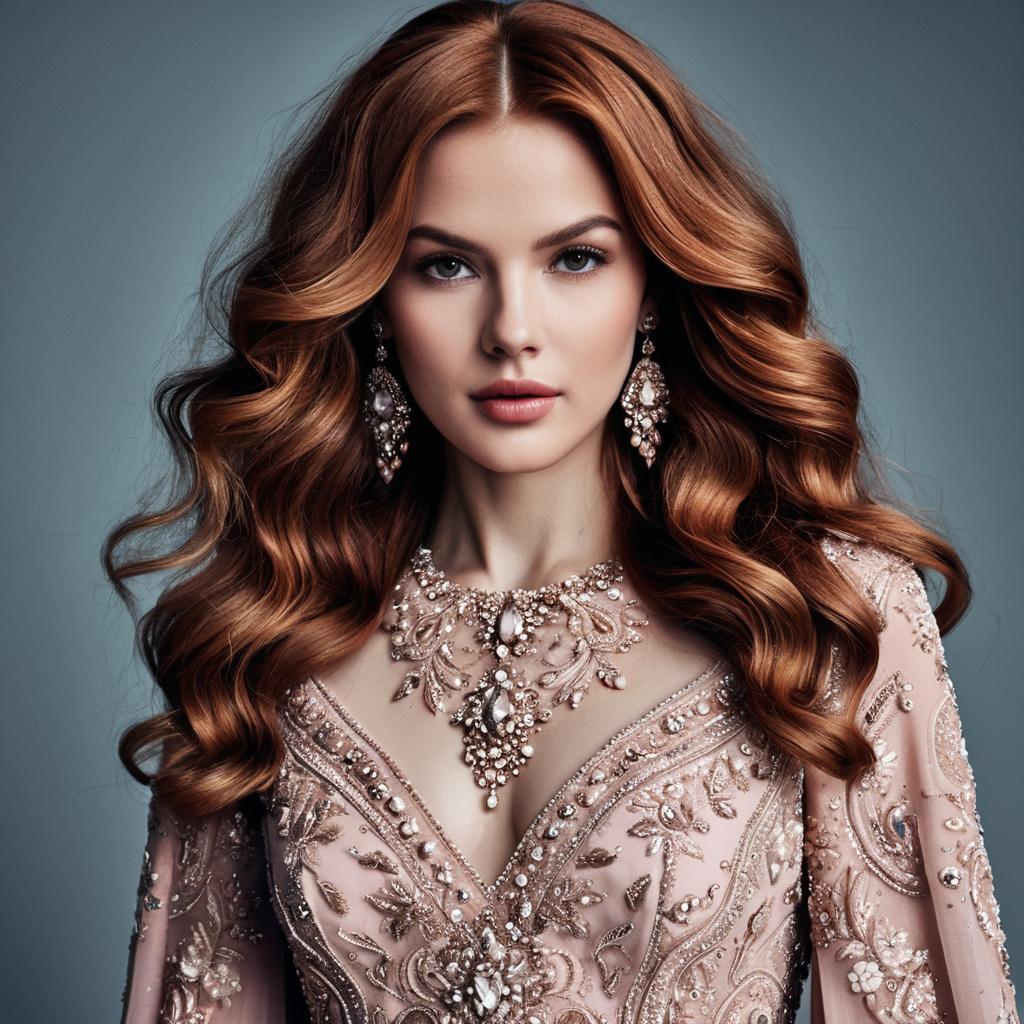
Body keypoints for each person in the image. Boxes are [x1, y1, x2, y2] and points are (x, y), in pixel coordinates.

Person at [109, 1, 1018, 1021]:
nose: (512, 330)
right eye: (445, 264)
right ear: (371, 296)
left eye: (574, 258)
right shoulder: (270, 626)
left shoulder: (823, 614)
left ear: (653, 286)